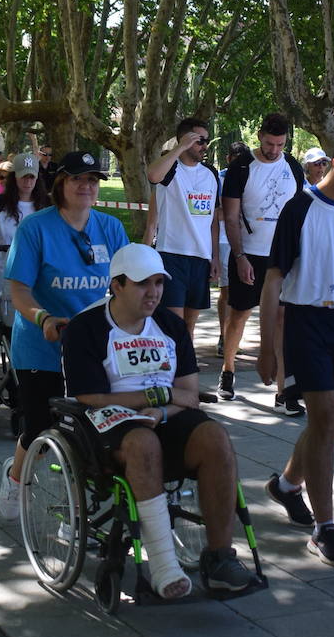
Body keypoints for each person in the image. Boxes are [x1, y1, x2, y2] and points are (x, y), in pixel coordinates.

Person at [61, 243, 256, 596]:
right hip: (107, 423)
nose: (153, 293)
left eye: (158, 283)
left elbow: (189, 394)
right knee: (143, 443)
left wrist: (164, 406)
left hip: (166, 415)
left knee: (216, 439)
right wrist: (157, 397)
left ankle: (220, 557)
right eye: (142, 284)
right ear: (116, 285)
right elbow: (92, 397)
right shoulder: (86, 328)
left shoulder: (169, 325)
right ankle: (165, 564)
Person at [259, 127, 334, 567]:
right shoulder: (299, 208)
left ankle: (287, 485)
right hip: (306, 321)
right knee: (324, 418)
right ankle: (324, 527)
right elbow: (274, 277)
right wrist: (266, 348)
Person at [0, 150, 129, 521]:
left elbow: (123, 286)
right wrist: (44, 318)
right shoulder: (35, 228)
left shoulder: (111, 228)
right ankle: (16, 477)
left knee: (92, 433)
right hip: (41, 345)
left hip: (91, 347)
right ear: (60, 184)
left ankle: (78, 513)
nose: (86, 186)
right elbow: (19, 290)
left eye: (92, 180)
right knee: (39, 427)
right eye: (77, 179)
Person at [218, 113, 305, 412]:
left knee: (283, 319)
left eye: (280, 144)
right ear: (260, 136)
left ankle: (283, 391)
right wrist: (240, 256)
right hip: (249, 252)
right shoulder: (240, 167)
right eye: (269, 143)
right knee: (239, 315)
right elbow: (230, 217)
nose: (274, 150)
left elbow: (300, 214)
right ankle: (228, 370)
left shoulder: (292, 167)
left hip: (282, 257)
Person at [146, 118, 222, 337]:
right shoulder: (171, 169)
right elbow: (153, 175)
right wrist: (179, 148)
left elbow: (213, 220)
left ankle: (185, 369)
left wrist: (215, 257)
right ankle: (171, 369)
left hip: (201, 259)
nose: (205, 146)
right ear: (185, 140)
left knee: (189, 329)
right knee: (173, 326)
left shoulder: (211, 174)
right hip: (172, 256)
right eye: (199, 141)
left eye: (206, 141)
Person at [0, 152, 50, 325]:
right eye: (23, 177)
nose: (28, 182)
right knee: (9, 325)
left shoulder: (47, 205)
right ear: (14, 178)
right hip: (5, 271)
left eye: (32, 177)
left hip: (39, 271)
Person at [214, 142, 251, 358]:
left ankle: (233, 336)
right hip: (224, 239)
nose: (238, 162)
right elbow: (216, 212)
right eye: (234, 158)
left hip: (247, 241)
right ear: (228, 158)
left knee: (242, 294)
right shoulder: (220, 178)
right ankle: (223, 336)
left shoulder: (251, 175)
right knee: (227, 291)